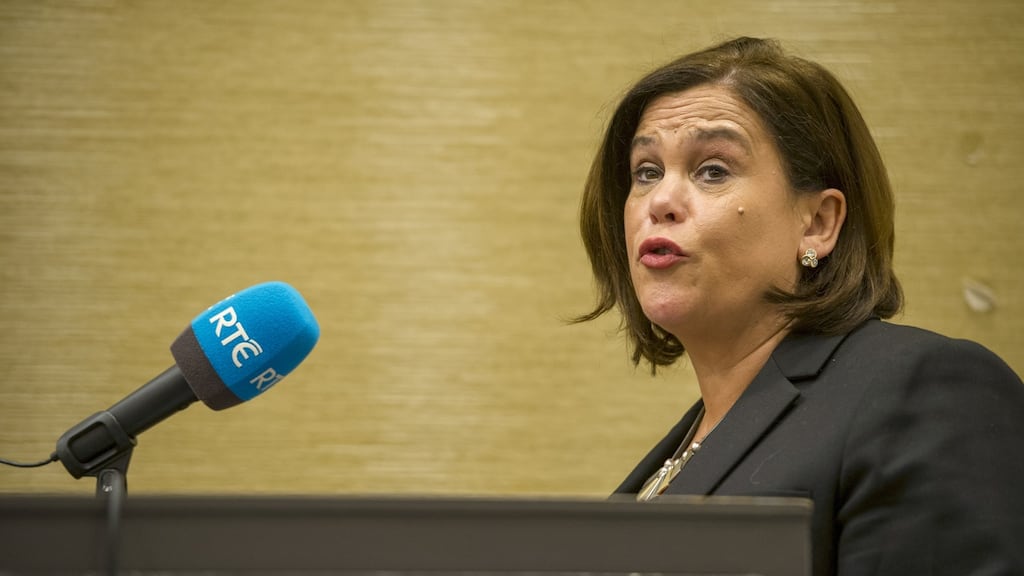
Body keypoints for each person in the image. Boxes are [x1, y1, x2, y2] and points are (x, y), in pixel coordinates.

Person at [576, 37, 1024, 575]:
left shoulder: (924, 389)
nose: (660, 202)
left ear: (818, 222)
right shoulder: (690, 440)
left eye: (713, 169)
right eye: (646, 171)